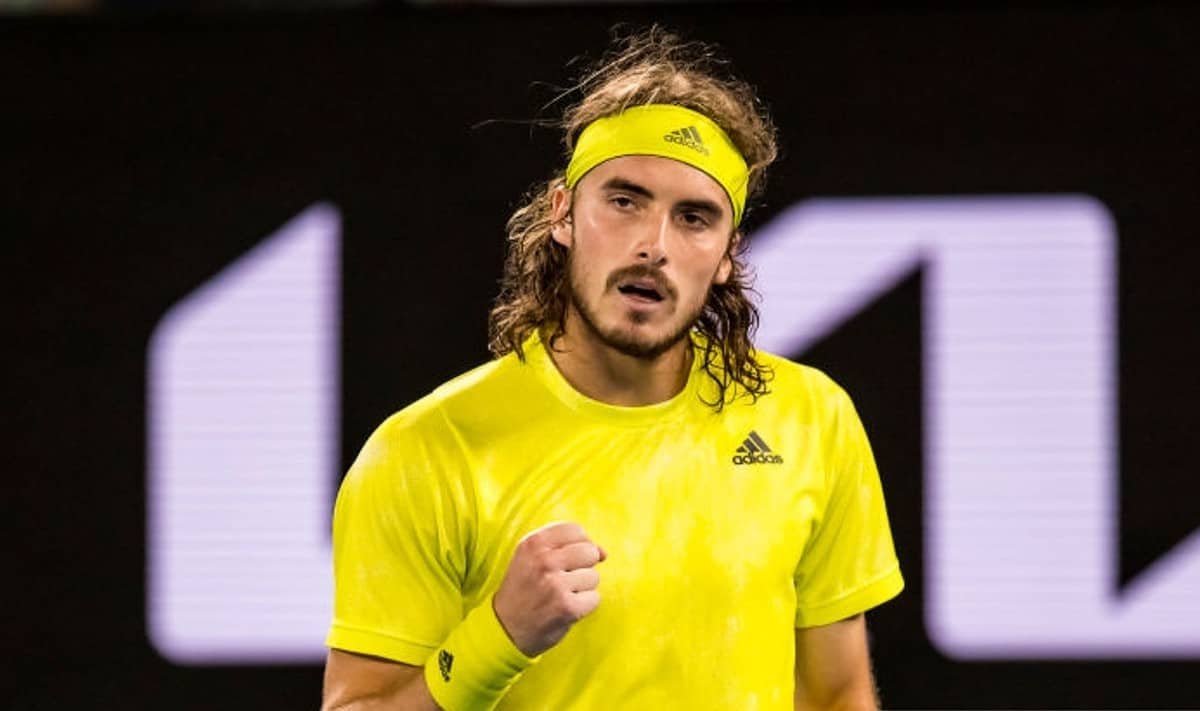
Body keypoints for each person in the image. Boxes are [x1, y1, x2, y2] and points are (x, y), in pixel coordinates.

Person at [321, 27, 903, 711]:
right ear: (563, 213)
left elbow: (837, 694)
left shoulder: (810, 419)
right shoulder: (423, 452)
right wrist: (496, 637)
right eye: (624, 200)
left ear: (725, 257)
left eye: (693, 217)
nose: (652, 245)